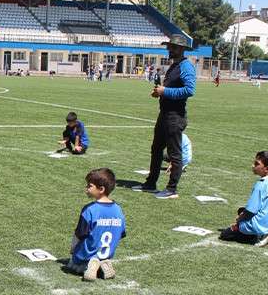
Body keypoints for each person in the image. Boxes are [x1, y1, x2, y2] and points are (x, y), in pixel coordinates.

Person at [133, 34, 196, 200]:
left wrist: (164, 91)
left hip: (175, 116)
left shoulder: (186, 66)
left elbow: (190, 90)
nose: (169, 49)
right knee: (156, 149)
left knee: (174, 154)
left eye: (173, 47)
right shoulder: (174, 66)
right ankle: (151, 183)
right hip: (165, 114)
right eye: (169, 46)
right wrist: (159, 93)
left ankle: (171, 189)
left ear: (181, 49)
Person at [66, 168, 126, 281]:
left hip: (85, 256)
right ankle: (102, 264)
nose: (86, 188)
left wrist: (73, 250)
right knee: (101, 257)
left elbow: (79, 235)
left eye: (89, 186)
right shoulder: (118, 209)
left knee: (72, 264)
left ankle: (90, 264)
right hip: (106, 253)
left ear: (101, 189)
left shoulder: (89, 210)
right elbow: (121, 234)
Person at [220, 151, 268, 247]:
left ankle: (256, 236)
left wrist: (239, 220)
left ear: (267, 169)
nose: (253, 165)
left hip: (259, 226)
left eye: (257, 164)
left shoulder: (261, 184)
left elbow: (250, 211)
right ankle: (262, 233)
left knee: (225, 234)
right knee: (241, 210)